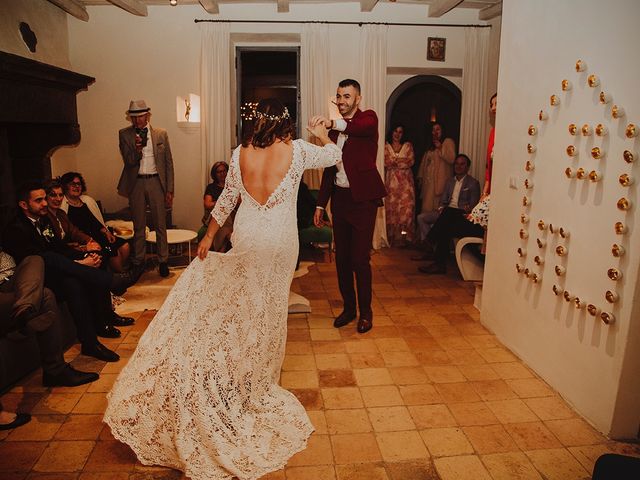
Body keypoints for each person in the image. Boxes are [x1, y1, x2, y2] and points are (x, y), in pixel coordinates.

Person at [104, 99, 341, 480]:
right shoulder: (297, 150)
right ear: (284, 122)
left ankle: (235, 377)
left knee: (243, 308)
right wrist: (322, 133)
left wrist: (209, 237)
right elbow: (332, 155)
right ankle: (255, 383)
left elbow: (228, 199)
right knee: (268, 312)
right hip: (279, 242)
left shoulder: (239, 152)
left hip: (248, 236)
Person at [2, 181, 130, 361]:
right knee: (52, 259)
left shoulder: (44, 220)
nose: (45, 203)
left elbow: (59, 247)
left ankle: (91, 343)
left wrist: (84, 254)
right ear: (24, 205)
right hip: (31, 279)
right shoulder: (15, 228)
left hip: (54, 271)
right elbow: (36, 260)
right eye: (39, 200)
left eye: (44, 199)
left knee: (74, 283)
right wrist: (80, 264)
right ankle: (111, 281)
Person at [311, 79, 387, 334]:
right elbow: (329, 173)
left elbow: (359, 127)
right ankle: (349, 308)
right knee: (342, 260)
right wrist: (321, 206)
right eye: (338, 97)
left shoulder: (369, 119)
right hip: (341, 201)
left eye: (346, 96)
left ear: (357, 98)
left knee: (359, 259)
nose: (341, 101)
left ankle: (366, 313)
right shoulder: (333, 135)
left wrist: (330, 123)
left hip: (363, 200)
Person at [46, 179, 135, 331]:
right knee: (94, 264)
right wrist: (83, 248)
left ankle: (108, 313)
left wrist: (90, 241)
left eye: (60, 195)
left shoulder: (60, 214)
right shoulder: (45, 218)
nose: (57, 199)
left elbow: (74, 231)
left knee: (98, 256)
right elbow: (56, 247)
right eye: (53, 195)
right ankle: (104, 315)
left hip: (71, 251)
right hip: (62, 258)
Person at [0, 253, 99, 388]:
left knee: (34, 259)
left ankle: (25, 310)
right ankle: (55, 371)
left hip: (12, 281)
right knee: (46, 296)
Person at [117, 100, 174, 278]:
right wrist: (137, 148)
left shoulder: (161, 134)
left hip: (157, 182)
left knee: (160, 224)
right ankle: (138, 261)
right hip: (136, 183)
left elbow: (168, 163)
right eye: (134, 117)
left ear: (147, 115)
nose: (137, 121)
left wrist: (170, 190)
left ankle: (163, 261)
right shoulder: (124, 134)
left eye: (140, 116)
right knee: (139, 225)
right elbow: (128, 161)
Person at [418, 154, 483, 275]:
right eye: (456, 164)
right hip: (447, 215)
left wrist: (466, 208)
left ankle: (429, 241)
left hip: (462, 217)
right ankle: (439, 264)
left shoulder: (473, 183)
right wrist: (442, 207)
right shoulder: (449, 181)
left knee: (448, 217)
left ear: (467, 167)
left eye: (462, 164)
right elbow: (443, 201)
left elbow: (474, 206)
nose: (458, 166)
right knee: (443, 224)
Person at [60, 172, 131, 273]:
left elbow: (96, 221)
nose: (76, 187)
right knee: (113, 251)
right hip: (85, 239)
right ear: (65, 186)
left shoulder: (87, 201)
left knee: (125, 246)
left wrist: (107, 232)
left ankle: (114, 270)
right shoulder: (63, 206)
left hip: (98, 234)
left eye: (78, 184)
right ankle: (120, 275)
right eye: (73, 184)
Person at [415, 122, 456, 246]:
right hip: (428, 187)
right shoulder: (430, 147)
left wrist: (440, 148)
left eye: (438, 129)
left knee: (437, 216)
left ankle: (436, 244)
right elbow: (424, 165)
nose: (435, 132)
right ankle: (426, 243)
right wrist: (420, 178)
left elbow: (451, 158)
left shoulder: (447, 142)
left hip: (441, 186)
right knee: (425, 213)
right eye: (433, 130)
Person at [468, 93, 497, 253]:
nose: (493, 108)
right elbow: (488, 165)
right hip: (492, 187)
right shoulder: (493, 132)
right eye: (491, 105)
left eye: (496, 104)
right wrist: (485, 191)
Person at [384, 123, 415, 246]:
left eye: (400, 132)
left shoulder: (407, 146)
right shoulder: (386, 146)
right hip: (391, 183)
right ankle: (391, 238)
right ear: (391, 132)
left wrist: (395, 162)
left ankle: (403, 238)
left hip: (406, 184)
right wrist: (400, 161)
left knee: (406, 211)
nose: (397, 134)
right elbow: (386, 162)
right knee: (392, 209)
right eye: (395, 131)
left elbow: (410, 161)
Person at [197, 161, 234, 252]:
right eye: (219, 172)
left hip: (231, 217)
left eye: (224, 171)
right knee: (224, 213)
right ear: (215, 174)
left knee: (226, 218)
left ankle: (221, 249)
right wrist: (222, 203)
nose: (222, 174)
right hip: (214, 218)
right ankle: (225, 243)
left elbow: (239, 202)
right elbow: (207, 204)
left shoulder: (232, 187)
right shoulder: (211, 187)